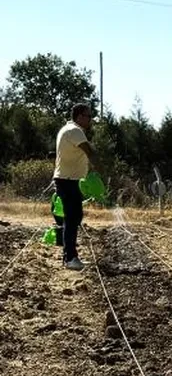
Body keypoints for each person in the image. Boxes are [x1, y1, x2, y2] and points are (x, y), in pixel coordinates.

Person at [52, 103, 97, 271]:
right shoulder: (75, 131)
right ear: (79, 116)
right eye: (88, 116)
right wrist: (101, 169)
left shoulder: (68, 129)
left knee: (74, 217)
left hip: (68, 179)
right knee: (72, 218)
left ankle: (70, 254)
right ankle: (70, 257)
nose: (90, 120)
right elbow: (90, 152)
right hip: (68, 180)